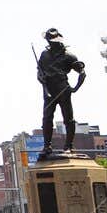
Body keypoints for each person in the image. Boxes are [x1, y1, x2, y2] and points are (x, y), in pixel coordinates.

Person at [36, 27, 84, 156]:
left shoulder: (69, 56)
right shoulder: (44, 54)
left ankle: (69, 146)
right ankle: (47, 146)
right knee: (46, 119)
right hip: (48, 90)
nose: (50, 42)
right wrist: (41, 79)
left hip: (63, 89)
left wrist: (75, 88)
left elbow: (82, 73)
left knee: (68, 119)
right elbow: (39, 72)